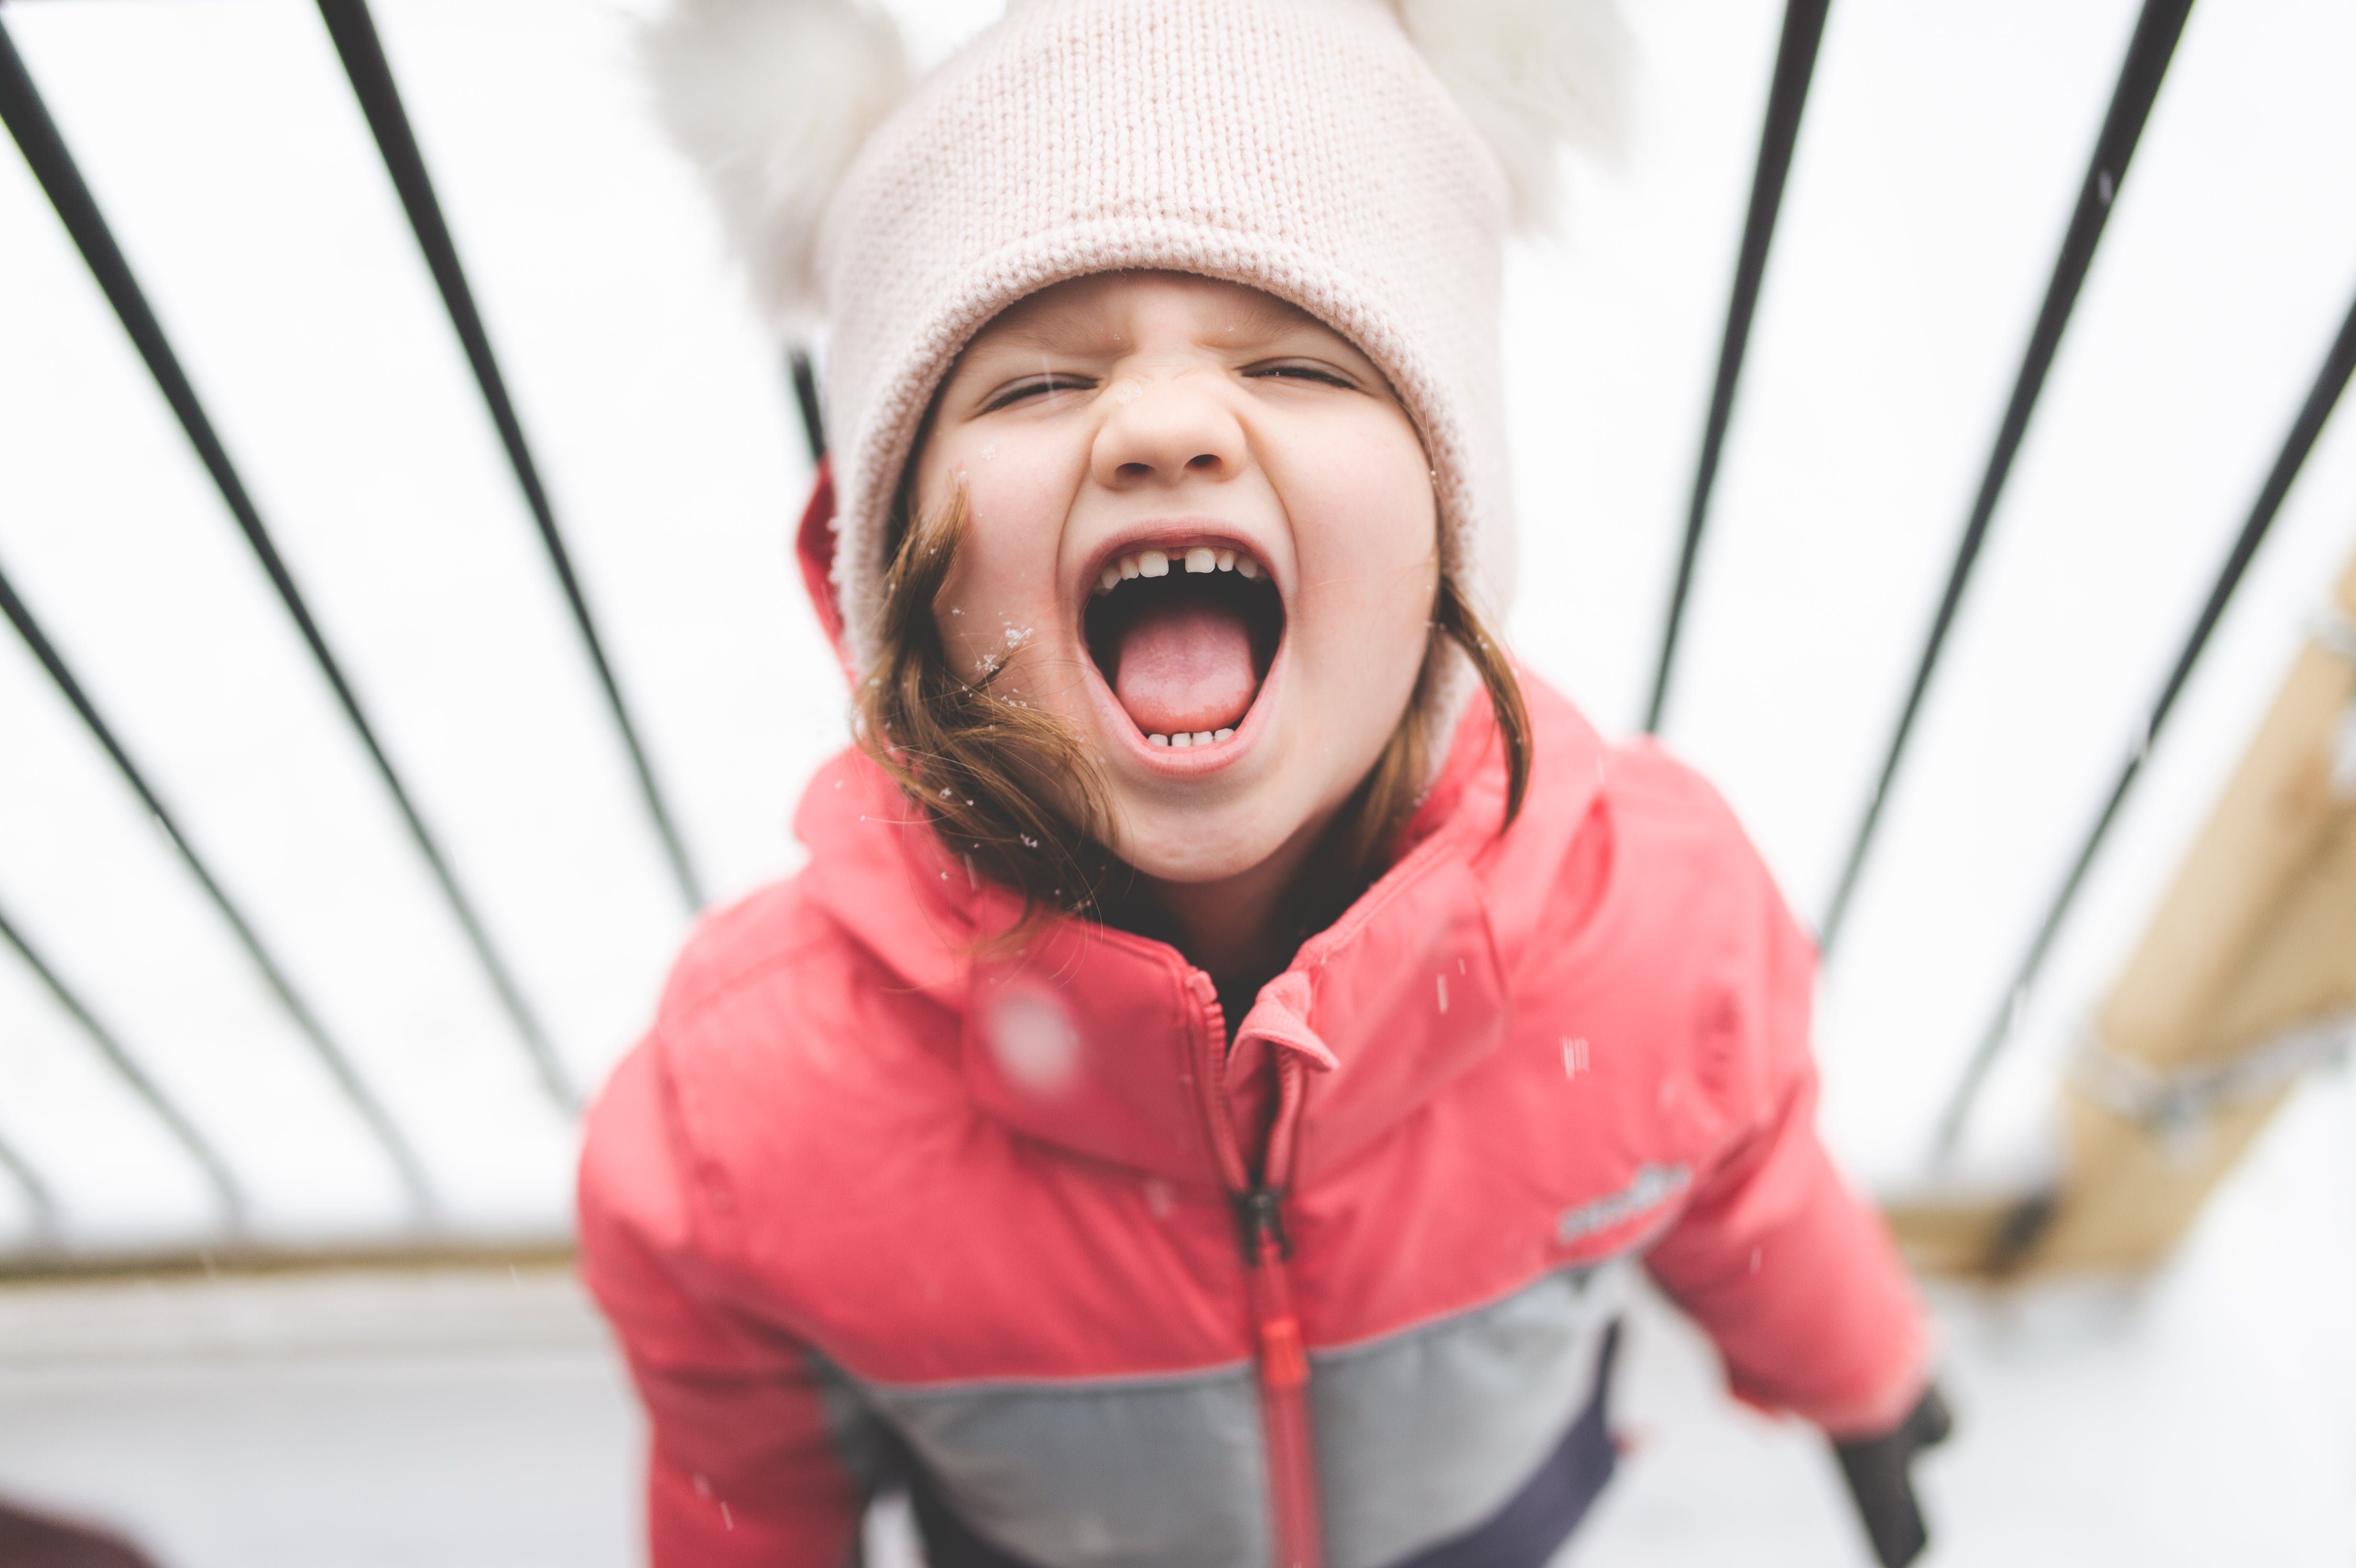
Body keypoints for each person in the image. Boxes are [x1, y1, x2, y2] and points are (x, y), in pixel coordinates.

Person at [578, 1, 1948, 1564]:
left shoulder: (1649, 930)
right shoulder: (754, 1106)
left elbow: (1749, 1190)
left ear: (1451, 525)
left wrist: (1858, 1371)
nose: (1166, 425)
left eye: (1297, 363)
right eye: (1035, 387)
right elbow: (742, 1469)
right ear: (898, 584)